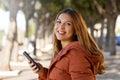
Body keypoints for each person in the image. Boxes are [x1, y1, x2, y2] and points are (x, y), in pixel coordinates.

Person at [28, 8, 106, 80]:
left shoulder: (76, 54)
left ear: (76, 30)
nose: (61, 27)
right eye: (59, 22)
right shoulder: (64, 52)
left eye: (68, 24)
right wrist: (42, 72)